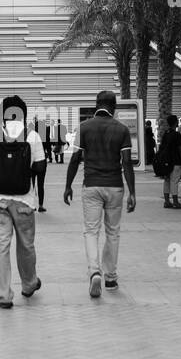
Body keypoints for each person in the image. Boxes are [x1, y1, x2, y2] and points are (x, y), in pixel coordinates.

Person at [64, 90, 136, 298]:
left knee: (91, 231)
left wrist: (68, 185)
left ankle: (94, 270)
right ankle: (111, 278)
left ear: (96, 105)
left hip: (92, 186)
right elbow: (126, 163)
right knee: (113, 232)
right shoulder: (121, 129)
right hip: (115, 186)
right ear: (114, 107)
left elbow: (76, 158)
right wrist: (132, 192)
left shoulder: (85, 127)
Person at [0, 95, 47, 308]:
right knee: (26, 245)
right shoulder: (32, 135)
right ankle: (29, 285)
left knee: (1, 248)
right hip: (24, 200)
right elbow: (39, 166)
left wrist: (2, 179)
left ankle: (4, 297)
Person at [158, 115, 181, 209]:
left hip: (166, 161)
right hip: (176, 161)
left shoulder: (166, 133)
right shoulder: (177, 135)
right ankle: (175, 202)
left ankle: (167, 201)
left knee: (167, 180)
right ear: (175, 123)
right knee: (174, 181)